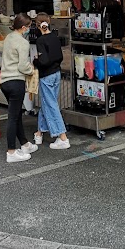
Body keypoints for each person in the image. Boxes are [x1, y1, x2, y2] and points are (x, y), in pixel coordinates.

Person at [0, 13, 38, 163]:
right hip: (16, 82)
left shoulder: (8, 37)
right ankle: (11, 151)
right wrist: (32, 70)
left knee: (16, 114)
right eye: (28, 27)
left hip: (4, 81)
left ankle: (25, 144)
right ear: (23, 27)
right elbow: (23, 66)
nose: (29, 30)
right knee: (13, 117)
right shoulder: (23, 43)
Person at [32, 13, 70, 150]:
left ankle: (62, 137)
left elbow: (44, 61)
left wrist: (35, 60)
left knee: (51, 104)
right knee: (47, 102)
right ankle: (40, 132)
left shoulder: (40, 41)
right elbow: (59, 56)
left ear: (38, 25)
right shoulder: (55, 37)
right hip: (56, 73)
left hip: (46, 76)